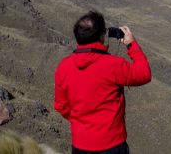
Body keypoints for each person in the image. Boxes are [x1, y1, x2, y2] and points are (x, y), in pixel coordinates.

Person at [54, 10, 151, 154]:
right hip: (112, 145)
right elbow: (144, 74)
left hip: (80, 145)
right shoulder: (113, 65)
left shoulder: (63, 67)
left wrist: (81, 123)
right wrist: (131, 45)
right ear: (101, 36)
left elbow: (61, 106)